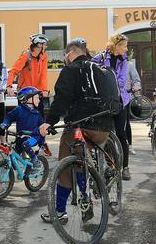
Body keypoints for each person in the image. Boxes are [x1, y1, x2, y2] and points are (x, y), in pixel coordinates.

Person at [38, 37, 114, 223]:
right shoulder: (104, 69)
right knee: (85, 155)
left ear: (70, 54)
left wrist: (49, 122)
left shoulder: (70, 69)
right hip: (104, 128)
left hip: (81, 126)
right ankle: (102, 174)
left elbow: (62, 98)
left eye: (65, 56)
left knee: (67, 164)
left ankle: (61, 211)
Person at [92, 33, 133, 180]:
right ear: (116, 45)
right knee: (106, 134)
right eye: (124, 45)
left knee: (121, 135)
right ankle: (111, 165)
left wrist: (108, 82)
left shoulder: (124, 61)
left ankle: (125, 168)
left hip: (120, 101)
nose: (126, 49)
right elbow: (91, 72)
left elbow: (121, 81)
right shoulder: (100, 58)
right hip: (104, 102)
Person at [0, 86, 45, 159]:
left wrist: (43, 140)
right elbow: (9, 117)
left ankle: (36, 163)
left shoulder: (37, 113)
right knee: (13, 158)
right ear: (28, 98)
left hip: (34, 138)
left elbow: (42, 127)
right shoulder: (19, 109)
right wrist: (5, 124)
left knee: (26, 145)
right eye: (37, 98)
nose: (39, 100)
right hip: (20, 138)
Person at [7, 34, 50, 105]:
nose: (46, 46)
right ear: (39, 45)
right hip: (25, 92)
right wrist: (9, 86)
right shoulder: (26, 56)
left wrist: (44, 90)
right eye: (45, 44)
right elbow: (13, 71)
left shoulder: (44, 56)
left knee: (39, 115)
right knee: (24, 115)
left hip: (37, 92)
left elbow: (43, 74)